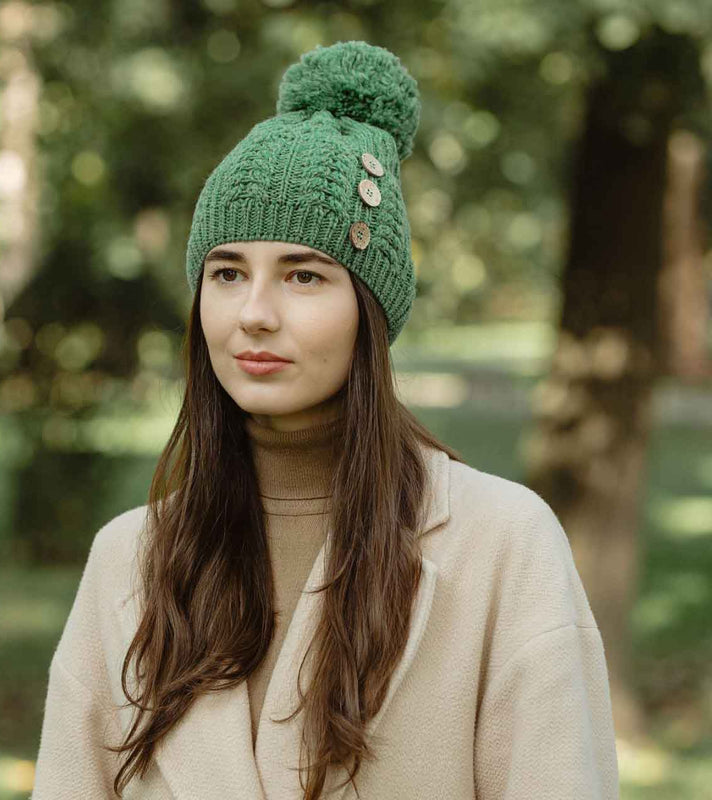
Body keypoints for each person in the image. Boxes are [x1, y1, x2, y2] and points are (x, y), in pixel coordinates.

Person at [31, 41, 620, 800]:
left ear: (368, 313)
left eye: (304, 275)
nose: (255, 314)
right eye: (228, 273)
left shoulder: (506, 548)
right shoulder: (129, 561)